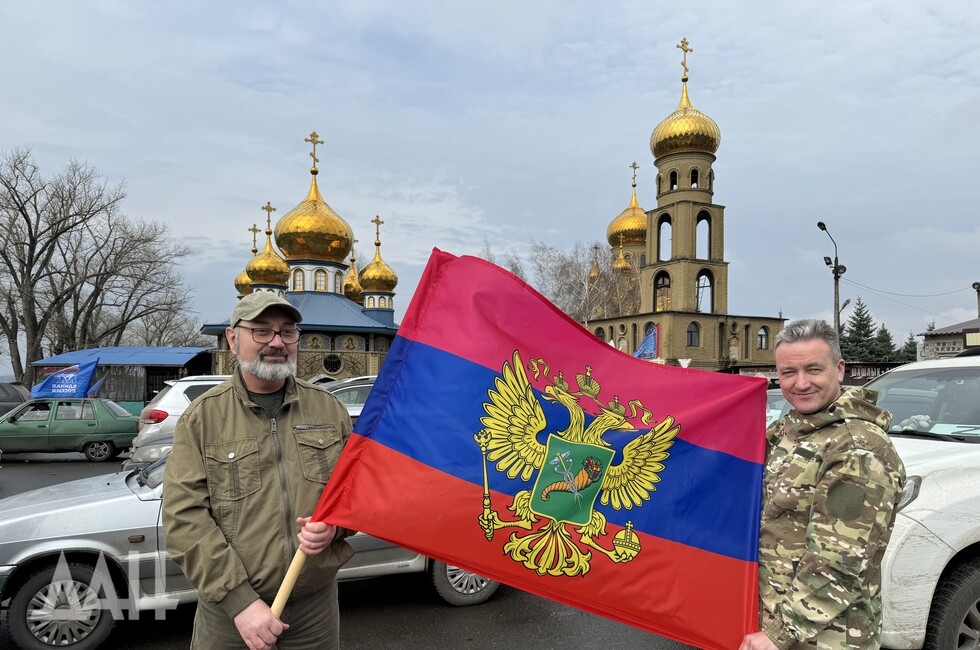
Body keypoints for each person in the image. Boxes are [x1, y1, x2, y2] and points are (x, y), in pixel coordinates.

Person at [163, 291, 355, 650]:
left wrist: (336, 528)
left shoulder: (328, 410)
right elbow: (184, 518)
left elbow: (354, 494)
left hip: (314, 607)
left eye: (287, 331)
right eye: (262, 331)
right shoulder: (203, 418)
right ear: (234, 339)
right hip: (230, 614)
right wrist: (240, 602)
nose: (277, 342)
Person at [740, 319, 906, 650]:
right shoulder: (785, 432)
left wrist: (779, 634)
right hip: (769, 621)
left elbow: (840, 560)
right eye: (788, 373)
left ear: (839, 369)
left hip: (825, 637)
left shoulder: (857, 447)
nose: (800, 383)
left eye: (813, 370)